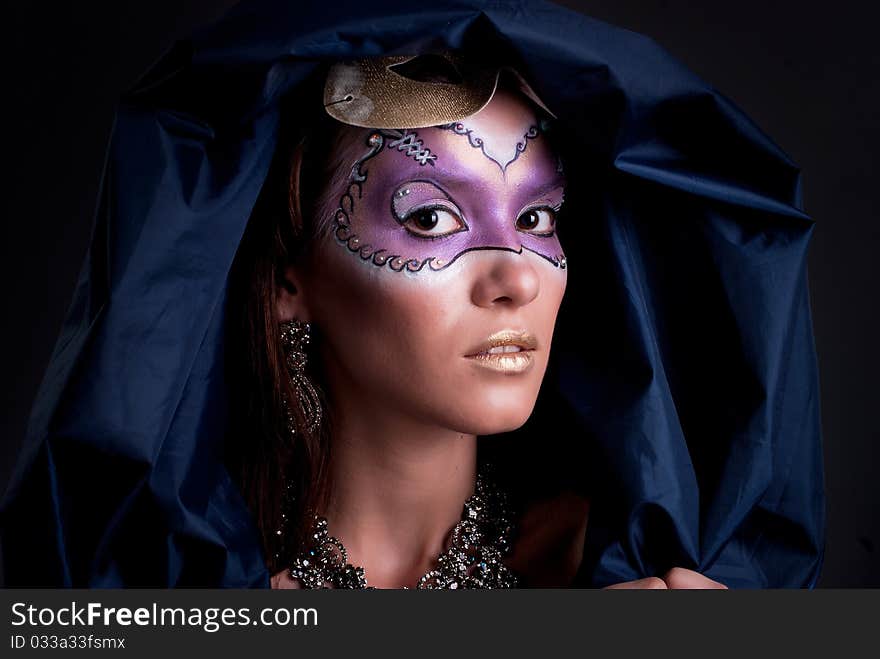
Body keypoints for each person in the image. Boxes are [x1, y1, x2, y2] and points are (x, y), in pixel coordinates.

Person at [0, 0, 824, 589]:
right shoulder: (161, 596)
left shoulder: (648, 576)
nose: (517, 276)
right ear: (291, 282)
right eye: (431, 217)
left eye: (538, 215)